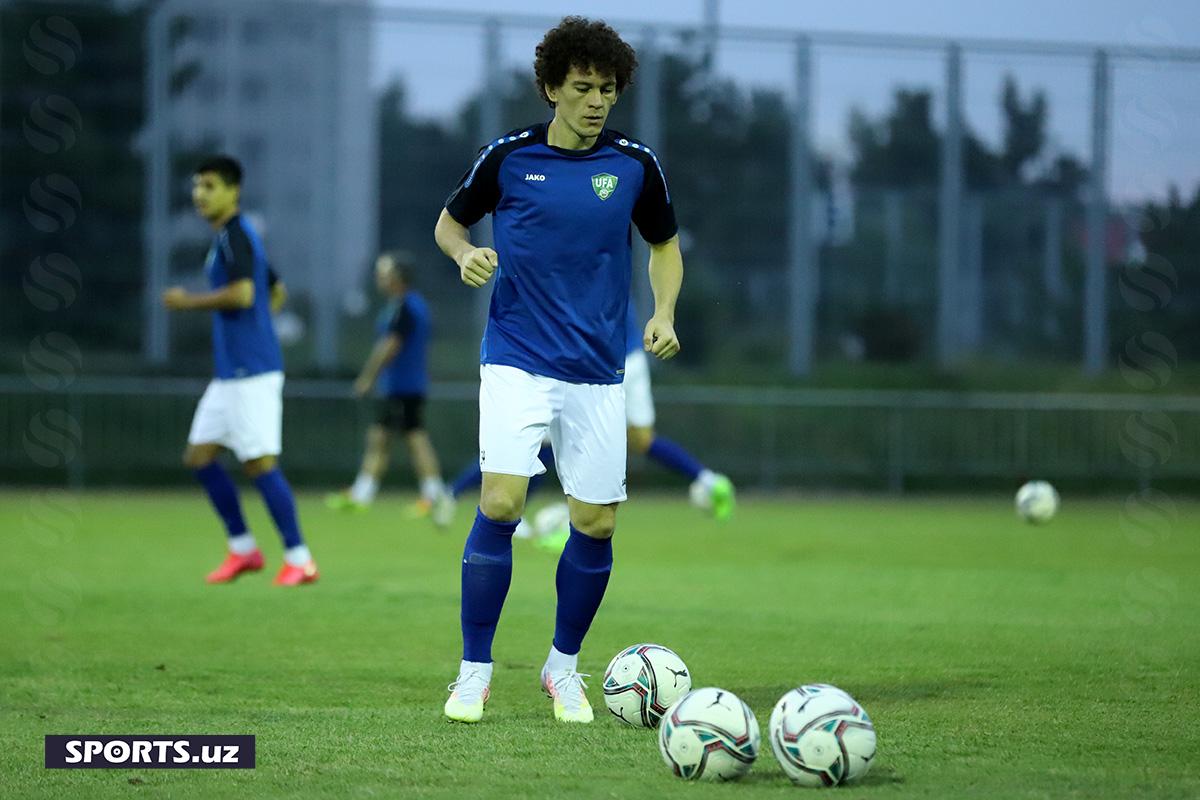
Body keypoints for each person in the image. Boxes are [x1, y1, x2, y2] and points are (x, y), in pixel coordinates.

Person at [434, 16, 682, 724]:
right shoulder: (507, 158)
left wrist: (663, 312)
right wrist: (463, 255)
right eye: (582, 87)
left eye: (607, 88)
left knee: (595, 524)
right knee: (501, 504)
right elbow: (448, 223)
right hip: (516, 358)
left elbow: (665, 246)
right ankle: (473, 672)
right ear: (550, 88)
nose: (597, 100)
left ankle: (562, 669)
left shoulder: (636, 165)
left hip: (600, 370)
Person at [163, 155, 318, 587]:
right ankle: (244, 550)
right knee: (199, 455)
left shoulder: (235, 235)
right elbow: (276, 289)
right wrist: (260, 327)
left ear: (233, 191)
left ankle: (300, 559)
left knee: (261, 464)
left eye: (209, 186)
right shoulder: (232, 237)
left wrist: (188, 302)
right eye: (197, 186)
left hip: (252, 372)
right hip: (232, 373)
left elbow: (245, 293)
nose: (199, 194)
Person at [326, 252, 453, 524]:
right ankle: (364, 493)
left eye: (383, 272)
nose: (378, 278)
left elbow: (390, 345)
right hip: (401, 385)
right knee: (381, 438)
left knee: (414, 438)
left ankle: (434, 494)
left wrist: (368, 376)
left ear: (397, 277)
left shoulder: (406, 306)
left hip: (404, 386)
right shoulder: (403, 304)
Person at [621, 310, 736, 520]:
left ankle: (577, 516)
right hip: (633, 356)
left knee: (565, 435)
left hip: (604, 362)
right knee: (642, 440)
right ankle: (711, 482)